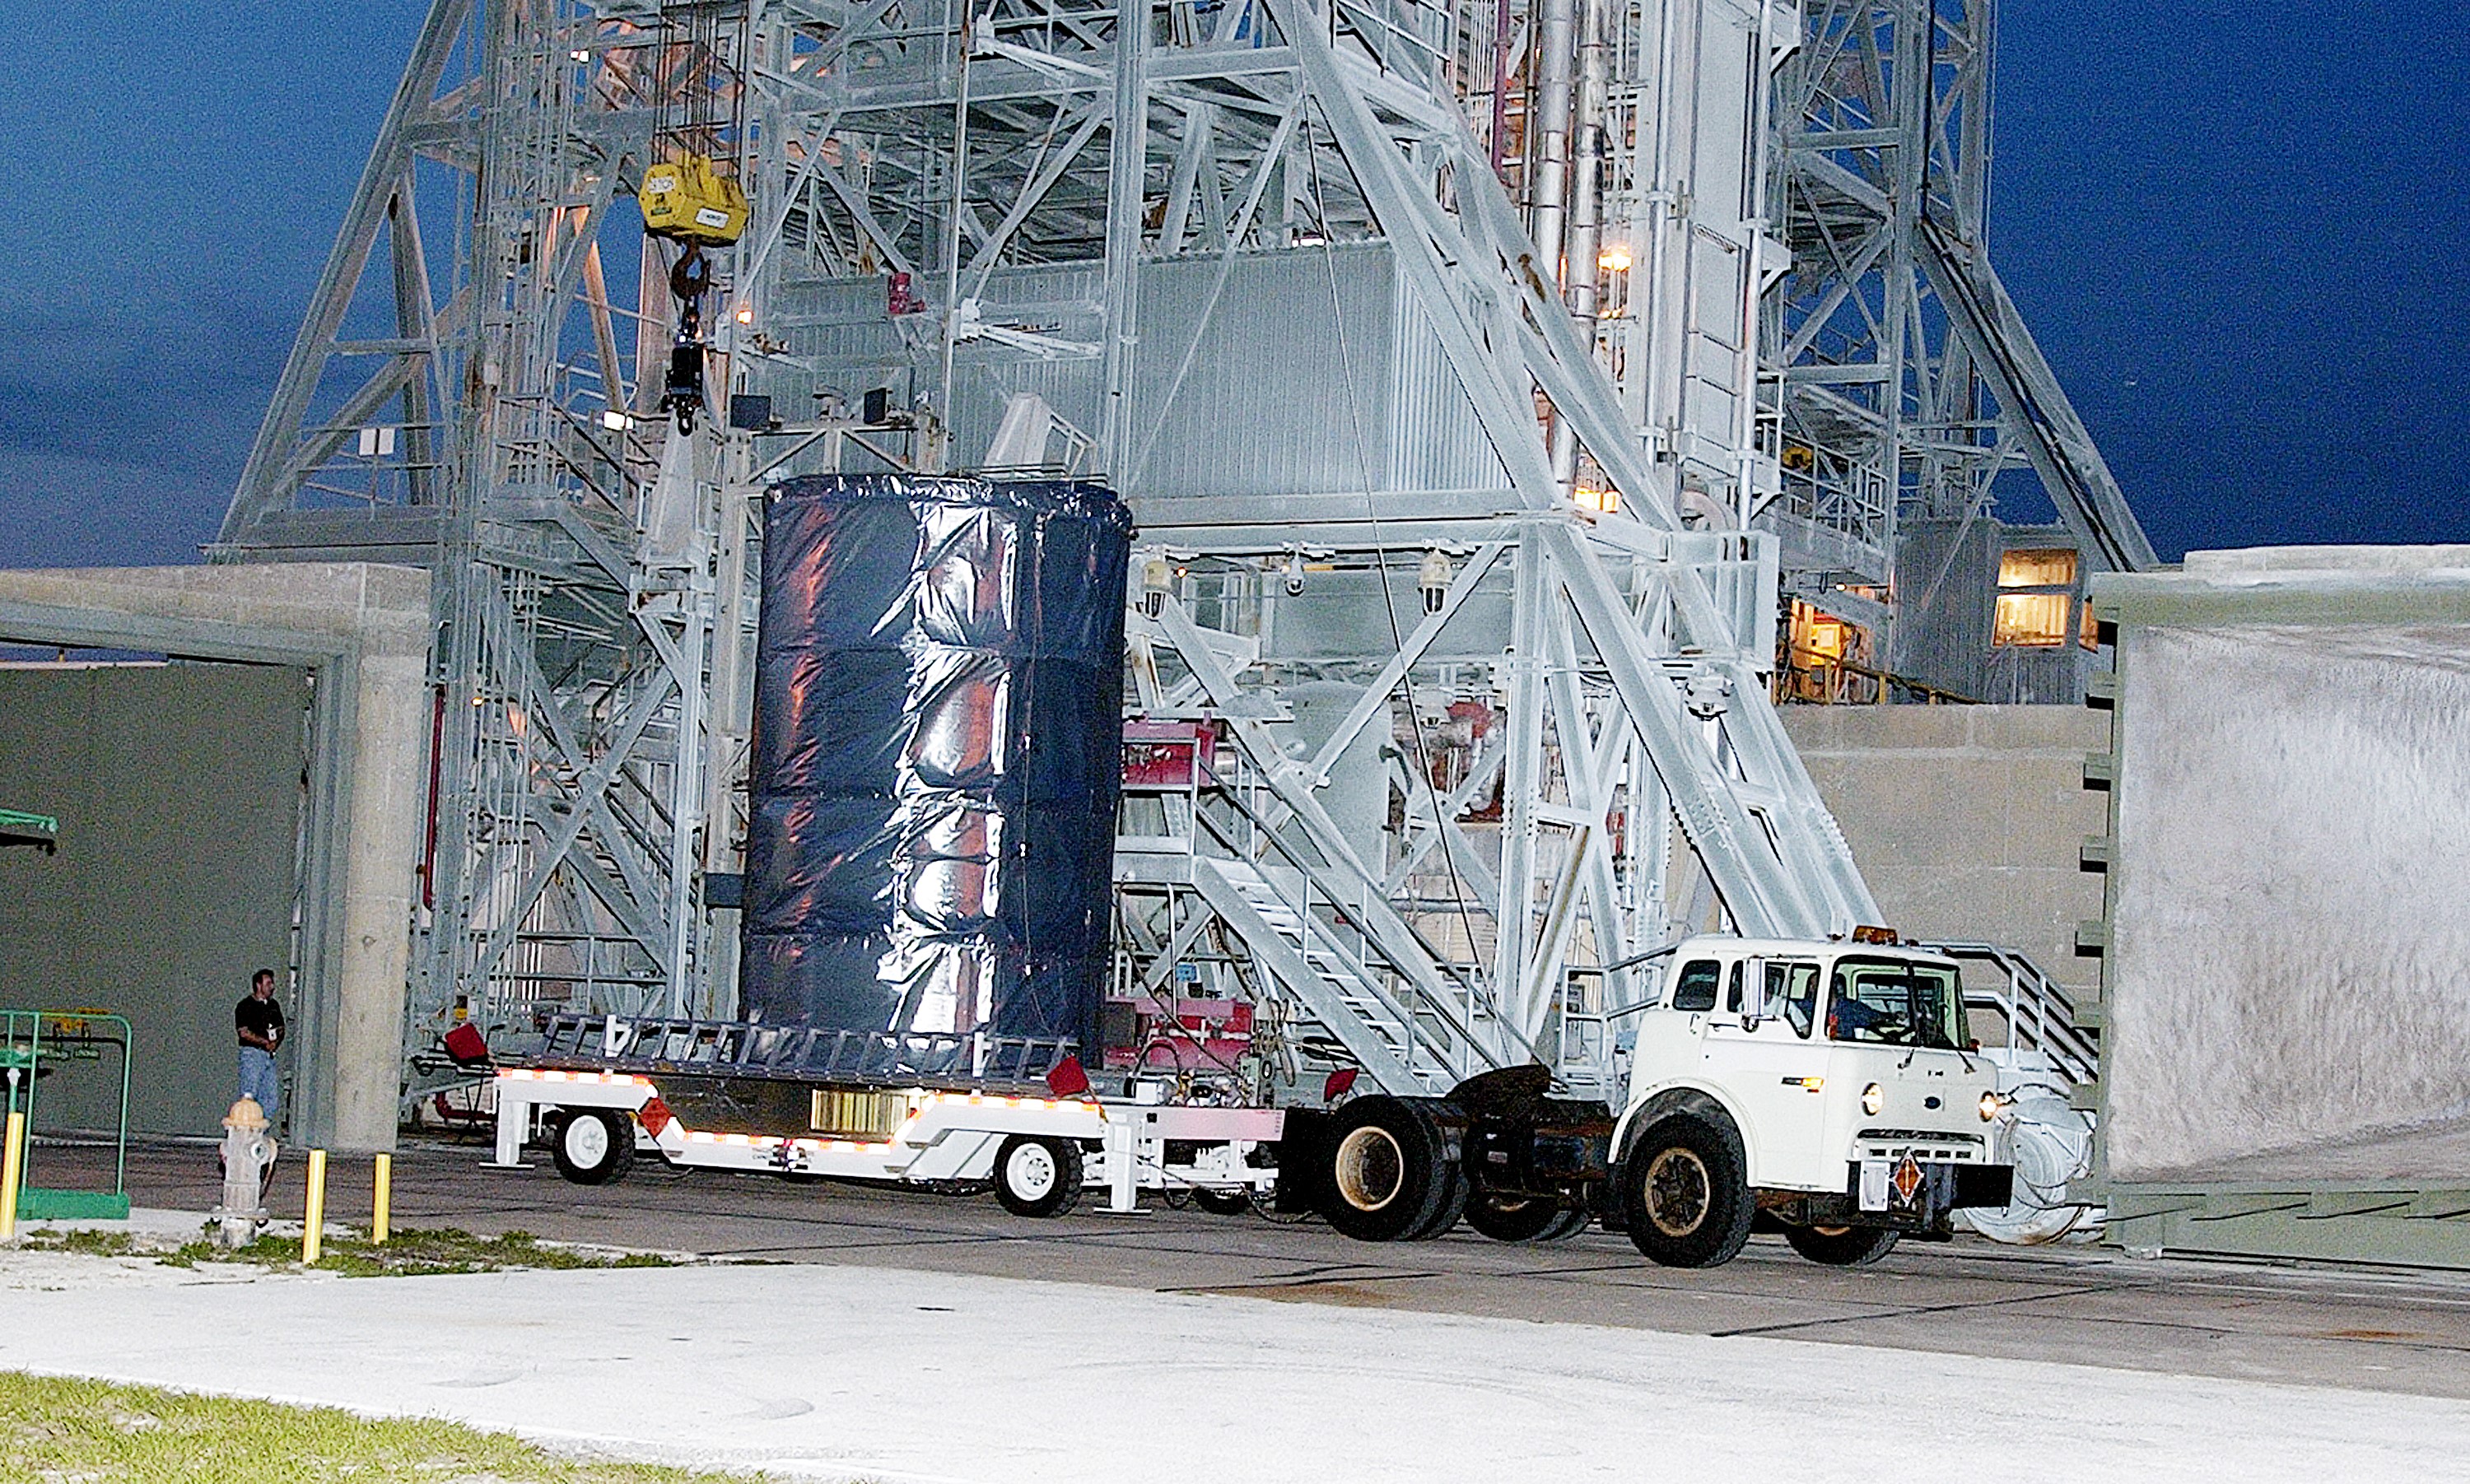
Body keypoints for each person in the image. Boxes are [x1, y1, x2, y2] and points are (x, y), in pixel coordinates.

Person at [235, 968, 286, 1123]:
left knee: (270, 1098)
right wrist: (264, 1042)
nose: (272, 986)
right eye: (268, 983)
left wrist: (275, 1043)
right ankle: (245, 1129)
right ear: (258, 985)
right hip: (252, 1054)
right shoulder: (245, 1006)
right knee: (249, 1095)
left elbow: (281, 1027)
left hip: (268, 1056)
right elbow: (244, 1032)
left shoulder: (273, 1005)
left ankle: (261, 1130)